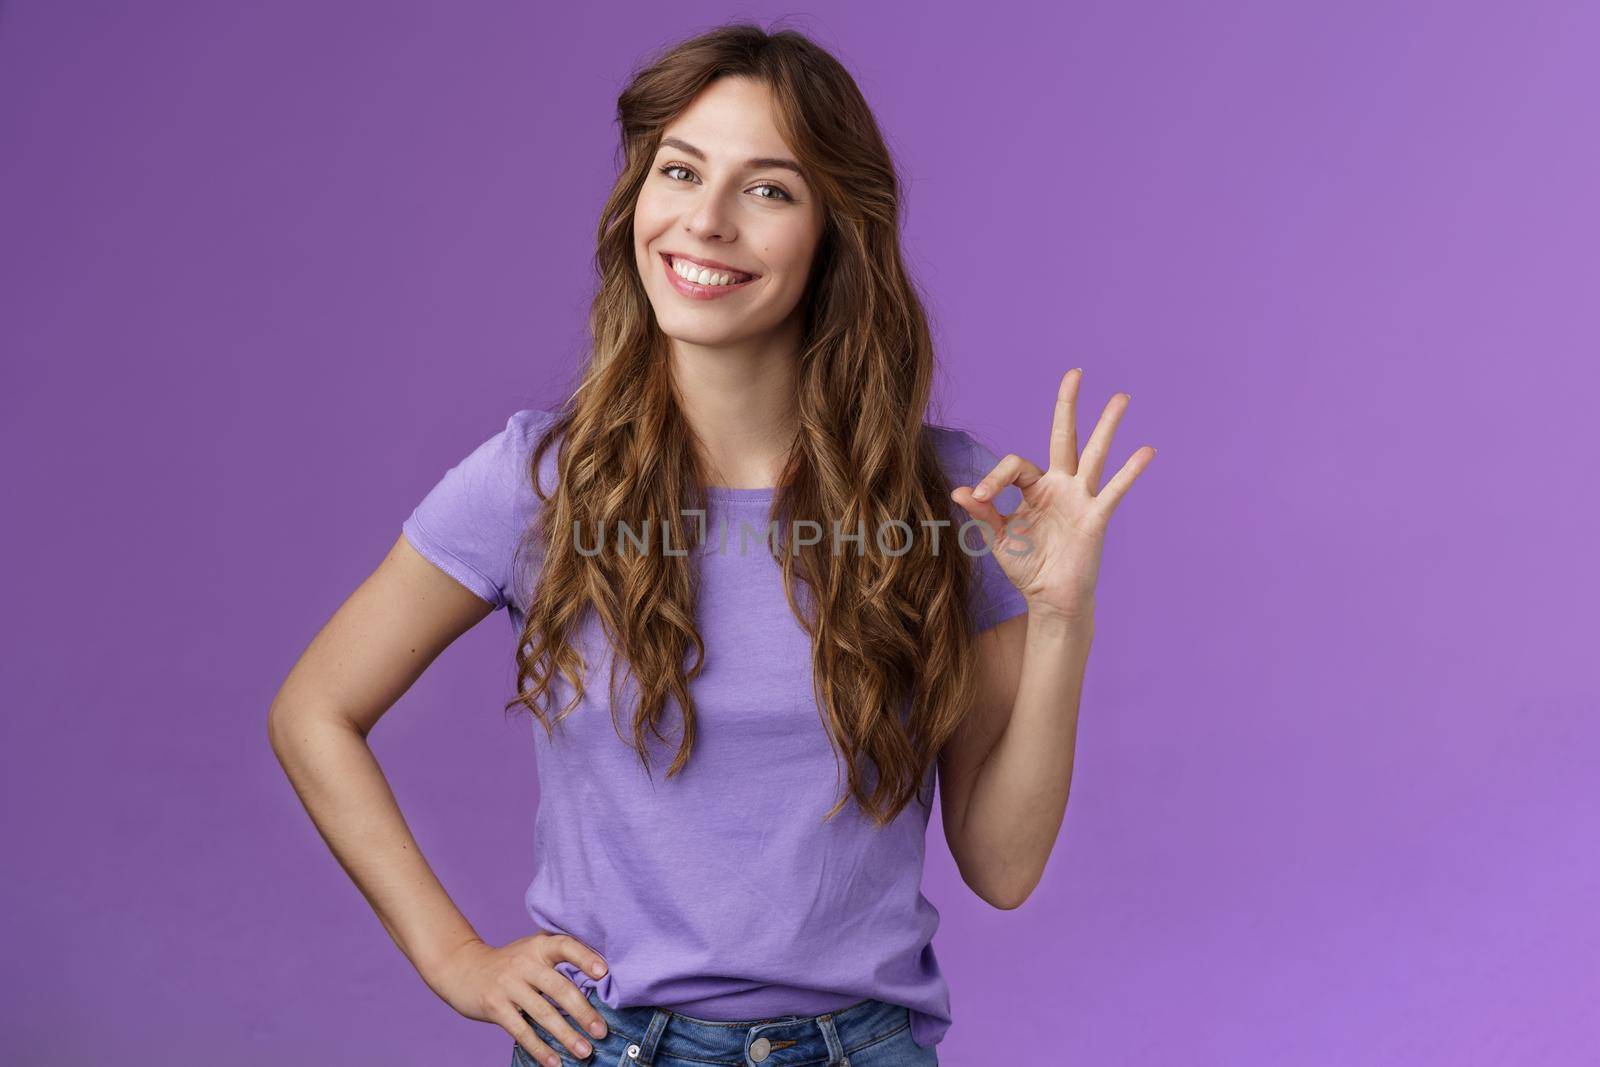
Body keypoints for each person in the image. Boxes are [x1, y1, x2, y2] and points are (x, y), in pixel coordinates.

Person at [268, 22, 1153, 1067]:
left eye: (768, 189)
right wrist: (454, 955)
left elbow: (1002, 865)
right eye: (679, 171)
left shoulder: (941, 496)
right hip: (608, 1047)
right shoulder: (538, 482)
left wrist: (1059, 618)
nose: (706, 219)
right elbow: (313, 709)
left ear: (834, 232)